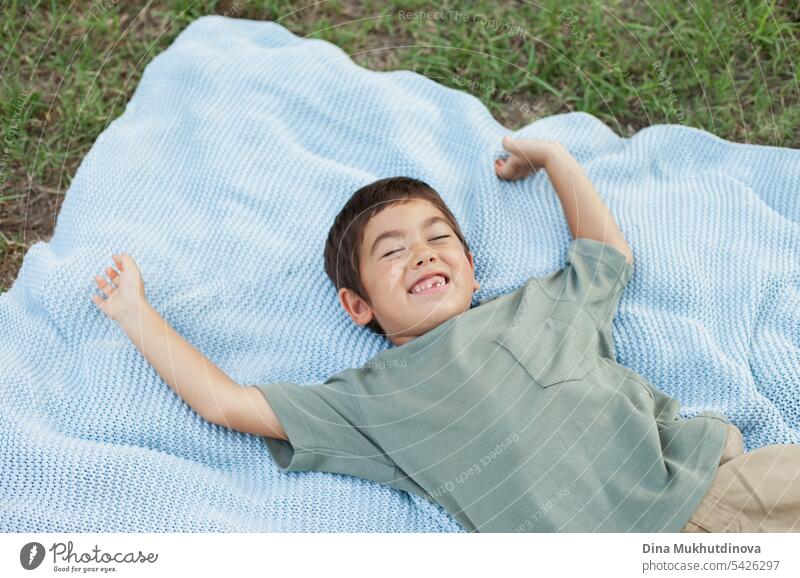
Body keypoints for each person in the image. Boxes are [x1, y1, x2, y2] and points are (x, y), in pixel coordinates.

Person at [91, 136, 800, 532]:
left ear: (470, 264)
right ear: (358, 305)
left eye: (438, 238)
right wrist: (136, 316)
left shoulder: (540, 305)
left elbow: (605, 254)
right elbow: (227, 403)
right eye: (393, 251)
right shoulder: (365, 400)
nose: (423, 252)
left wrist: (554, 159)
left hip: (719, 490)